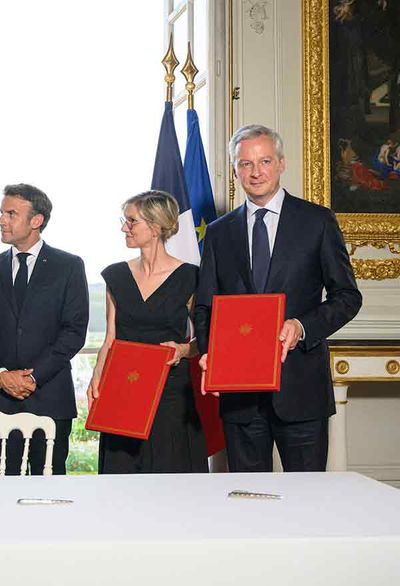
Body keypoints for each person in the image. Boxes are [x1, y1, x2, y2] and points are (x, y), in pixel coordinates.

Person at [194, 124, 362, 472]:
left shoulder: (317, 221)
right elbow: (206, 306)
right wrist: (213, 353)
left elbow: (347, 296)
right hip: (240, 397)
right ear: (235, 169)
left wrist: (302, 326)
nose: (256, 173)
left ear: (281, 164)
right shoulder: (219, 232)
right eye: (245, 164)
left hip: (300, 390)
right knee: (247, 503)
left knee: (306, 502)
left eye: (265, 161)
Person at [0, 183, 89, 475]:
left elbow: (73, 331)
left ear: (37, 221)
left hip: (50, 399)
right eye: (1, 213)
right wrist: (0, 375)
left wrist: (33, 377)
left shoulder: (69, 266)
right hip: (0, 400)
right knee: (3, 488)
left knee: (51, 487)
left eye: (11, 213)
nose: (1, 220)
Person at [87, 190, 208, 474]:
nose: (123, 227)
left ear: (154, 227)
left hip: (171, 397)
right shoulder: (115, 275)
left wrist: (181, 350)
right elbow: (110, 339)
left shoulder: (191, 277)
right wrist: (97, 376)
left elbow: (203, 342)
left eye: (131, 221)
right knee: (122, 479)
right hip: (123, 391)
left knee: (172, 478)